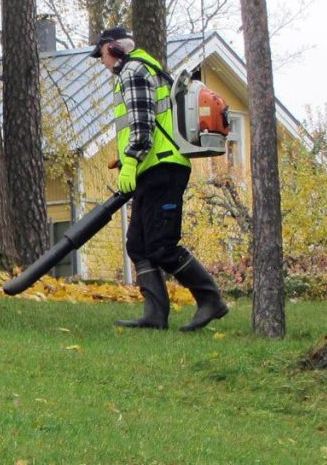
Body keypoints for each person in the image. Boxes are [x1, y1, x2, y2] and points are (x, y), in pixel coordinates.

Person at [91, 26, 229, 331]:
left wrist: (132, 159)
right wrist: (126, 160)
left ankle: (211, 300)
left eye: (101, 54)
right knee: (139, 245)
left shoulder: (133, 71)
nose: (101, 62)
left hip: (162, 169)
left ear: (113, 49)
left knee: (161, 245)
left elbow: (142, 124)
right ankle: (154, 316)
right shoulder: (146, 68)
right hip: (152, 168)